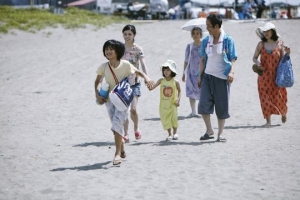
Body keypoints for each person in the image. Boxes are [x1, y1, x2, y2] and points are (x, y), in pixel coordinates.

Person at [94, 39, 154, 166]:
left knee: (117, 125)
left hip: (122, 100)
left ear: (118, 51)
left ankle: (116, 154)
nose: (108, 51)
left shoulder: (125, 64)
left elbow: (138, 71)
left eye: (111, 49)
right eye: (106, 49)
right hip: (109, 100)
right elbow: (97, 81)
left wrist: (147, 78)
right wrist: (97, 93)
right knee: (116, 128)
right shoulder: (104, 66)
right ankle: (121, 147)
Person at [197, 14, 237, 142]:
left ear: (216, 26)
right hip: (207, 77)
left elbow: (233, 59)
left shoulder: (228, 40)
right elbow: (202, 59)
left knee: (221, 107)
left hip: (222, 78)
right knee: (203, 105)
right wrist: (200, 76)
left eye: (209, 26)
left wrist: (232, 73)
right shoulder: (205, 41)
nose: (207, 28)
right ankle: (209, 130)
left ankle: (220, 134)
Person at [252, 22, 291, 127]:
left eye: (268, 31)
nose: (266, 33)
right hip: (263, 76)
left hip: (277, 77)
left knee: (279, 97)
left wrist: (288, 53)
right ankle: (268, 122)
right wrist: (258, 64)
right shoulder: (261, 44)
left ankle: (283, 113)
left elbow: (284, 60)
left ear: (273, 31)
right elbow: (254, 58)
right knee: (264, 98)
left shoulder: (280, 44)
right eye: (264, 31)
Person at [121, 24, 149, 143]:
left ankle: (136, 127)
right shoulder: (119, 48)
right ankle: (126, 134)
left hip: (135, 82)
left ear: (134, 35)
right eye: (125, 34)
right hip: (122, 83)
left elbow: (143, 64)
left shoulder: (138, 49)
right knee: (123, 110)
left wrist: (147, 77)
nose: (127, 36)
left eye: (129, 34)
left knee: (133, 109)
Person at [150, 60, 181, 141]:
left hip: (173, 104)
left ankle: (175, 133)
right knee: (166, 119)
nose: (166, 72)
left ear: (172, 71)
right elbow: (153, 87)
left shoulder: (175, 82)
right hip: (163, 104)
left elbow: (180, 91)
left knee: (174, 118)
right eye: (164, 70)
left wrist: (178, 100)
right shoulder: (161, 80)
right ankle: (169, 134)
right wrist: (149, 85)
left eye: (168, 70)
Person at [182, 27, 202, 118]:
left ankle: (202, 110)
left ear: (201, 35)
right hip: (191, 72)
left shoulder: (204, 46)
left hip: (201, 72)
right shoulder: (189, 46)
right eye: (194, 33)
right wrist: (184, 73)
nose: (195, 35)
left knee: (202, 91)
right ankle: (193, 111)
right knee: (191, 91)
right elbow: (186, 60)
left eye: (197, 33)